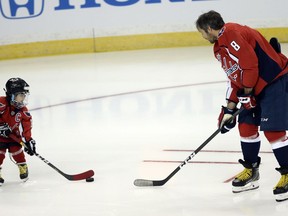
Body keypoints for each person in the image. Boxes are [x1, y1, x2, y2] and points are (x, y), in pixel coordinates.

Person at [196, 10, 288, 202]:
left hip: (273, 81)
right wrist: (229, 109)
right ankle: (251, 171)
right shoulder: (219, 48)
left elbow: (250, 65)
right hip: (253, 87)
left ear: (209, 29)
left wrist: (246, 94)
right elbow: (234, 78)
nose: (202, 36)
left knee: (273, 131)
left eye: (202, 32)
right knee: (246, 127)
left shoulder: (230, 33)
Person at [0, 78, 36, 185]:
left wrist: (28, 140)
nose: (23, 98)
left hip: (14, 136)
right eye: (21, 95)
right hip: (0, 137)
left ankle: (23, 166)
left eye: (24, 95)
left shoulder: (23, 110)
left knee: (17, 152)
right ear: (11, 95)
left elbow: (27, 125)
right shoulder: (1, 103)